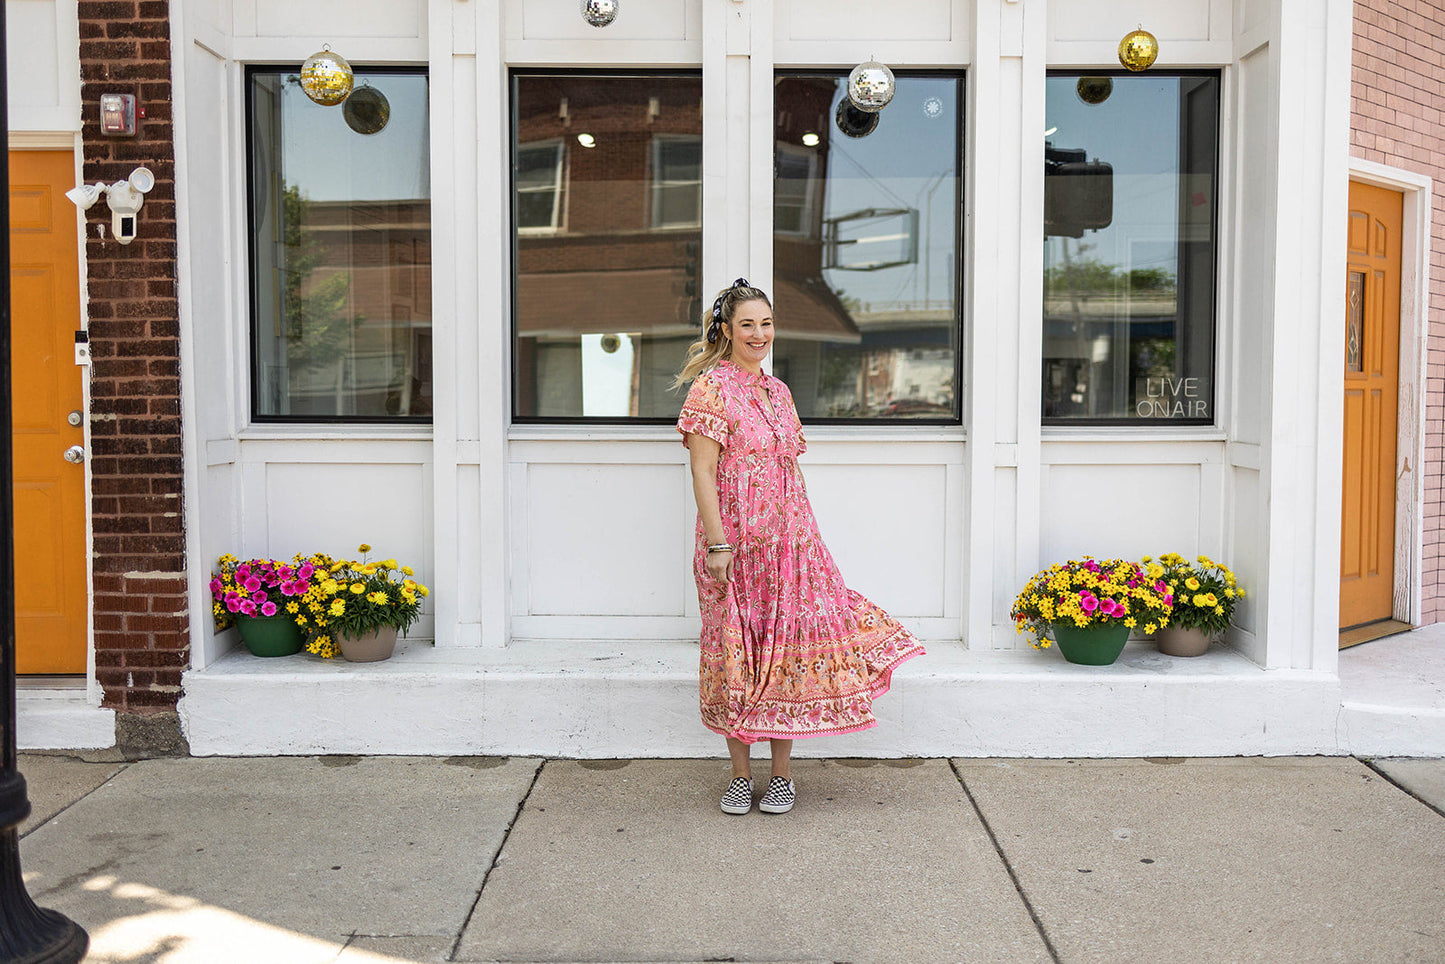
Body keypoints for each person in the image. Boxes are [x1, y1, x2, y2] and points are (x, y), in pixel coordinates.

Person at [673, 278, 926, 816]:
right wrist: (719, 542)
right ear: (725, 330)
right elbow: (702, 470)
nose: (759, 333)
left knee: (786, 654)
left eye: (766, 323)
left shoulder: (778, 392)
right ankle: (741, 777)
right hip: (735, 548)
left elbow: (789, 472)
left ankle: (782, 776)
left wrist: (809, 543)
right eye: (747, 324)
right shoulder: (710, 389)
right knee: (735, 659)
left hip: (791, 546)